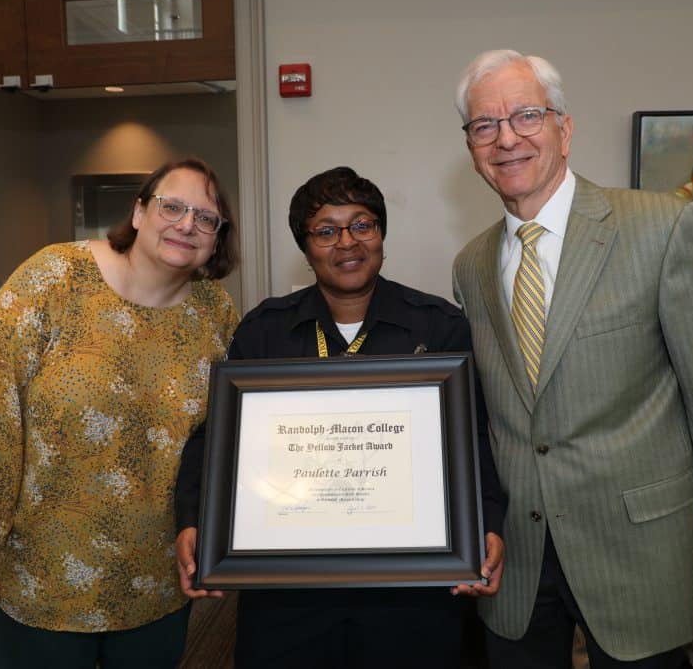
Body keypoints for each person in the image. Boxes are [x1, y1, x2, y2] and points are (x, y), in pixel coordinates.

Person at [451, 49, 693, 668]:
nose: (506, 138)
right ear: (472, 145)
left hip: (639, 555)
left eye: (526, 116)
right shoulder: (471, 266)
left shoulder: (661, 228)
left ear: (565, 126)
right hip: (519, 564)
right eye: (485, 125)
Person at [174, 166, 507, 668]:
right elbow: (219, 437)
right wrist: (195, 520)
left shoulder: (438, 326)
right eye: (326, 230)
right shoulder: (265, 332)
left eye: (362, 224)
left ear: (381, 234)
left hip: (411, 590)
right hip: (290, 590)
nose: (347, 242)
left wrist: (489, 524)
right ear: (305, 247)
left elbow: (472, 439)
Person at [0, 157, 240, 668]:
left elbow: (219, 438)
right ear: (139, 212)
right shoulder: (53, 280)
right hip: (41, 582)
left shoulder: (216, 314)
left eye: (206, 218)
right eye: (172, 206)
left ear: (217, 237)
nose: (187, 224)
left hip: (157, 584)